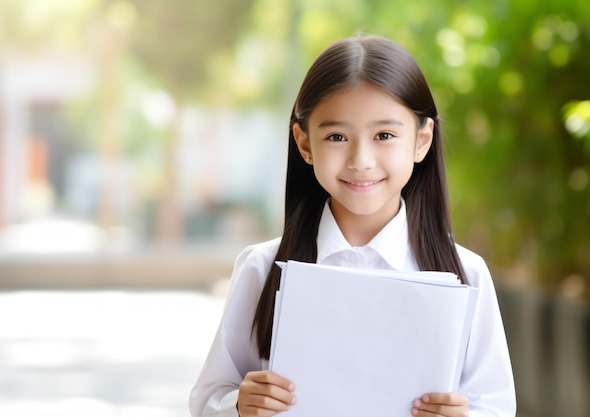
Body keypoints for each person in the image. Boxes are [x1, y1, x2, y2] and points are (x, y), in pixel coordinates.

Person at [189, 35, 516, 417]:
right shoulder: (262, 267)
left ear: (422, 140)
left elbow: (493, 406)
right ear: (305, 143)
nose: (361, 160)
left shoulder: (464, 275)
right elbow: (209, 400)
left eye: (384, 136)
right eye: (337, 136)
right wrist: (240, 406)